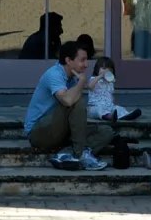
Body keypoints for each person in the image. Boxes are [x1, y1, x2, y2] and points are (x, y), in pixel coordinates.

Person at [24, 41, 113, 170]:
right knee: (76, 101)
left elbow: (87, 87)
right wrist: (81, 82)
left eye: (87, 60)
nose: (86, 65)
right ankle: (81, 154)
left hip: (61, 130)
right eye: (82, 60)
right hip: (39, 132)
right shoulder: (54, 74)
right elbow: (68, 101)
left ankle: (65, 154)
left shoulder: (74, 77)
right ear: (68, 60)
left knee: (106, 132)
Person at [86, 57, 142, 122]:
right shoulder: (94, 80)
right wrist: (99, 76)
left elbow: (110, 96)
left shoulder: (110, 83)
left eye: (109, 70)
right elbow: (89, 86)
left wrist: (112, 103)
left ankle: (126, 116)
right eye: (104, 68)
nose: (106, 71)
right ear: (97, 69)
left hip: (109, 107)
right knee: (99, 110)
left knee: (118, 108)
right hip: (94, 107)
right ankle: (109, 117)